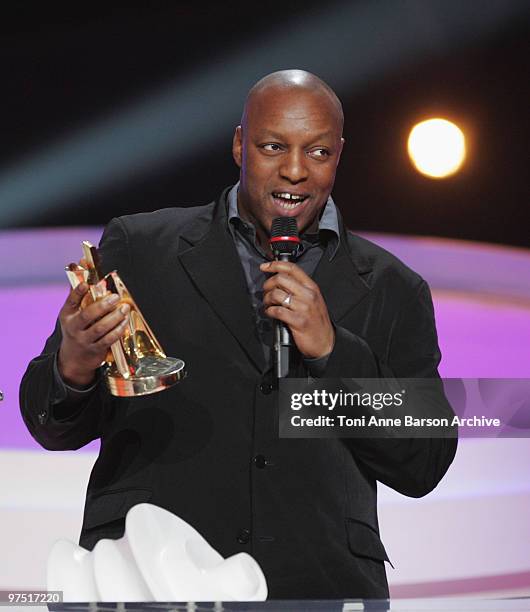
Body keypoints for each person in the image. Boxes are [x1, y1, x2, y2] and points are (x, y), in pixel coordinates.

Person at [20, 70, 457, 600]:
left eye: (317, 153)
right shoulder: (141, 248)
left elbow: (426, 460)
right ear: (238, 145)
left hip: (316, 586)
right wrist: (75, 362)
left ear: (339, 154)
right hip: (154, 580)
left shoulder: (392, 287)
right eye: (274, 147)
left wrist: (333, 351)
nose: (295, 171)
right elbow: (52, 425)